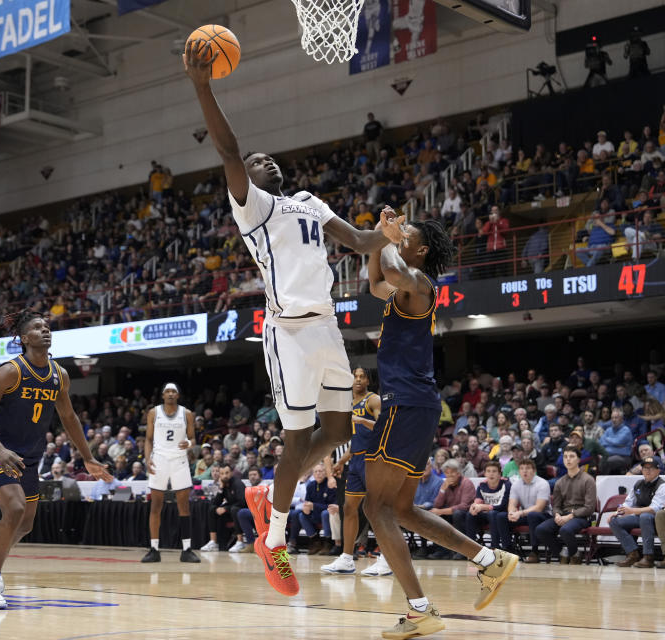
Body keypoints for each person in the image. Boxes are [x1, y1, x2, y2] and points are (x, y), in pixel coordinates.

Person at [184, 40, 395, 597]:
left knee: (340, 431)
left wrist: (387, 235)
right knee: (298, 436)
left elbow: (357, 240)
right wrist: (204, 86)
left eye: (268, 158)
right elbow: (229, 152)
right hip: (289, 332)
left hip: (327, 325)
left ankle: (268, 493)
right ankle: (273, 538)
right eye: (257, 162)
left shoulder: (308, 200)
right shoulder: (254, 207)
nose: (265, 161)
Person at [363, 211, 516, 638]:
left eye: (405, 234)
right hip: (416, 406)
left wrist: (385, 241)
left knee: (374, 507)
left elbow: (391, 269)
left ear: (421, 249)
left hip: (406, 405)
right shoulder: (401, 289)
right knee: (402, 509)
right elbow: (376, 281)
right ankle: (489, 560)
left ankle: (419, 610)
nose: (399, 236)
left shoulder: (420, 283)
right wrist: (380, 237)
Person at [0, 311, 112, 609]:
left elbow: (69, 418)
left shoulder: (59, 375)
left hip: (31, 456)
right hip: (1, 452)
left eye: (47, 326)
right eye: (37, 327)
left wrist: (88, 457)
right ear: (24, 338)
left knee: (26, 525)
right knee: (15, 508)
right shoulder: (11, 371)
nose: (45, 330)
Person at [323, 367, 381, 575]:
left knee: (377, 510)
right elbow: (356, 440)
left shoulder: (373, 400)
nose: (357, 380)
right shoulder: (348, 404)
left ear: (368, 381)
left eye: (362, 377)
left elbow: (384, 428)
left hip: (372, 460)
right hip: (355, 461)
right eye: (355, 377)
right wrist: (341, 462)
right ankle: (347, 558)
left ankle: (387, 559)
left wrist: (363, 420)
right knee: (349, 508)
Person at [141, 382, 200, 564]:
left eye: (174, 391)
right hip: (159, 460)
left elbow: (193, 439)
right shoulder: (153, 413)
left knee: (184, 506)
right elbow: (148, 439)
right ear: (162, 395)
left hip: (179, 460)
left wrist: (189, 444)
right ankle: (154, 549)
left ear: (178, 395)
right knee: (155, 506)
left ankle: (187, 549)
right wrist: (147, 458)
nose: (171, 393)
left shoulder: (187, 413)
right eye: (167, 391)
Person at [535, 446, 597, 564]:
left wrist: (570, 516)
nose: (568, 459)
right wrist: (557, 514)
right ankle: (562, 553)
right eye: (565, 457)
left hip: (581, 517)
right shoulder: (559, 482)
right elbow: (556, 505)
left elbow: (589, 507)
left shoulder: (588, 480)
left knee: (565, 530)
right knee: (541, 529)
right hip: (563, 515)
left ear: (579, 460)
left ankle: (575, 554)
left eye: (572, 457)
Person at [608, 457, 665, 568]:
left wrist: (632, 511)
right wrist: (617, 512)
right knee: (614, 521)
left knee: (645, 516)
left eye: (651, 468)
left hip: (657, 520)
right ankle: (632, 553)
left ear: (659, 470)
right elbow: (628, 503)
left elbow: (654, 509)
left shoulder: (662, 486)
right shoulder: (638, 484)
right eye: (645, 468)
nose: (647, 471)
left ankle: (648, 556)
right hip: (640, 517)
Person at [505, 459, 552, 564]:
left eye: (527, 468)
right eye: (522, 469)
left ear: (534, 471)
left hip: (544, 516)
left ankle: (534, 552)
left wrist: (520, 513)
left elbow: (539, 507)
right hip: (526, 515)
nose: (524, 471)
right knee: (501, 517)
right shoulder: (516, 484)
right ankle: (507, 550)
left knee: (533, 515)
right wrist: (511, 513)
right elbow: (512, 504)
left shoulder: (543, 483)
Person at [461, 461, 512, 551]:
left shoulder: (506, 484)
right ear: (484, 473)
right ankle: (471, 548)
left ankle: (494, 546)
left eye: (494, 471)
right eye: (488, 471)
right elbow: (478, 500)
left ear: (499, 473)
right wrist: (474, 507)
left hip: (501, 513)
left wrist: (483, 507)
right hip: (487, 513)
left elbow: (502, 505)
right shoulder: (482, 485)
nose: (491, 474)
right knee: (470, 514)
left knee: (492, 513)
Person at [200, 465, 247, 552]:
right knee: (212, 509)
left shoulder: (238, 483)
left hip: (241, 510)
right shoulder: (224, 485)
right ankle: (213, 542)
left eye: (227, 473)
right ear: (220, 475)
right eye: (222, 473)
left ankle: (240, 542)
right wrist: (220, 488)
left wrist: (226, 509)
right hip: (230, 509)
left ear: (231, 473)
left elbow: (243, 502)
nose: (224, 475)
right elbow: (215, 503)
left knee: (234, 509)